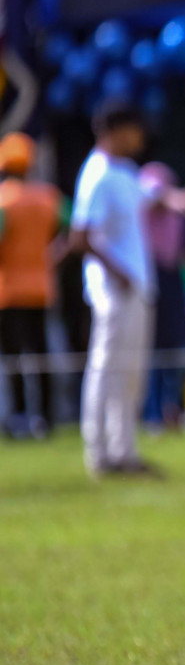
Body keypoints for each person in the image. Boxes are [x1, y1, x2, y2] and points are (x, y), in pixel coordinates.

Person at [69, 100, 160, 477]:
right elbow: (80, 237)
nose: (140, 137)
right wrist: (117, 271)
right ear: (115, 131)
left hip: (136, 285)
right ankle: (100, 453)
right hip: (113, 289)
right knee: (106, 369)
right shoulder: (97, 173)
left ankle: (124, 450)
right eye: (135, 129)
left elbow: (150, 202)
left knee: (131, 372)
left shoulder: (125, 172)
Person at [0, 132, 63, 439]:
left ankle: (20, 418)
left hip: (8, 290)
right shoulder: (48, 196)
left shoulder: (3, 200)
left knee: (13, 358)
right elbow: (73, 229)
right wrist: (52, 257)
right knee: (41, 355)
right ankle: (47, 418)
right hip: (42, 287)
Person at [138, 162, 185, 433]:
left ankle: (173, 410)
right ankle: (152, 413)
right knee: (151, 348)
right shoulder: (151, 177)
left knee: (173, 348)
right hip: (150, 275)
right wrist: (181, 198)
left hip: (172, 278)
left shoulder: (175, 200)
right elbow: (153, 196)